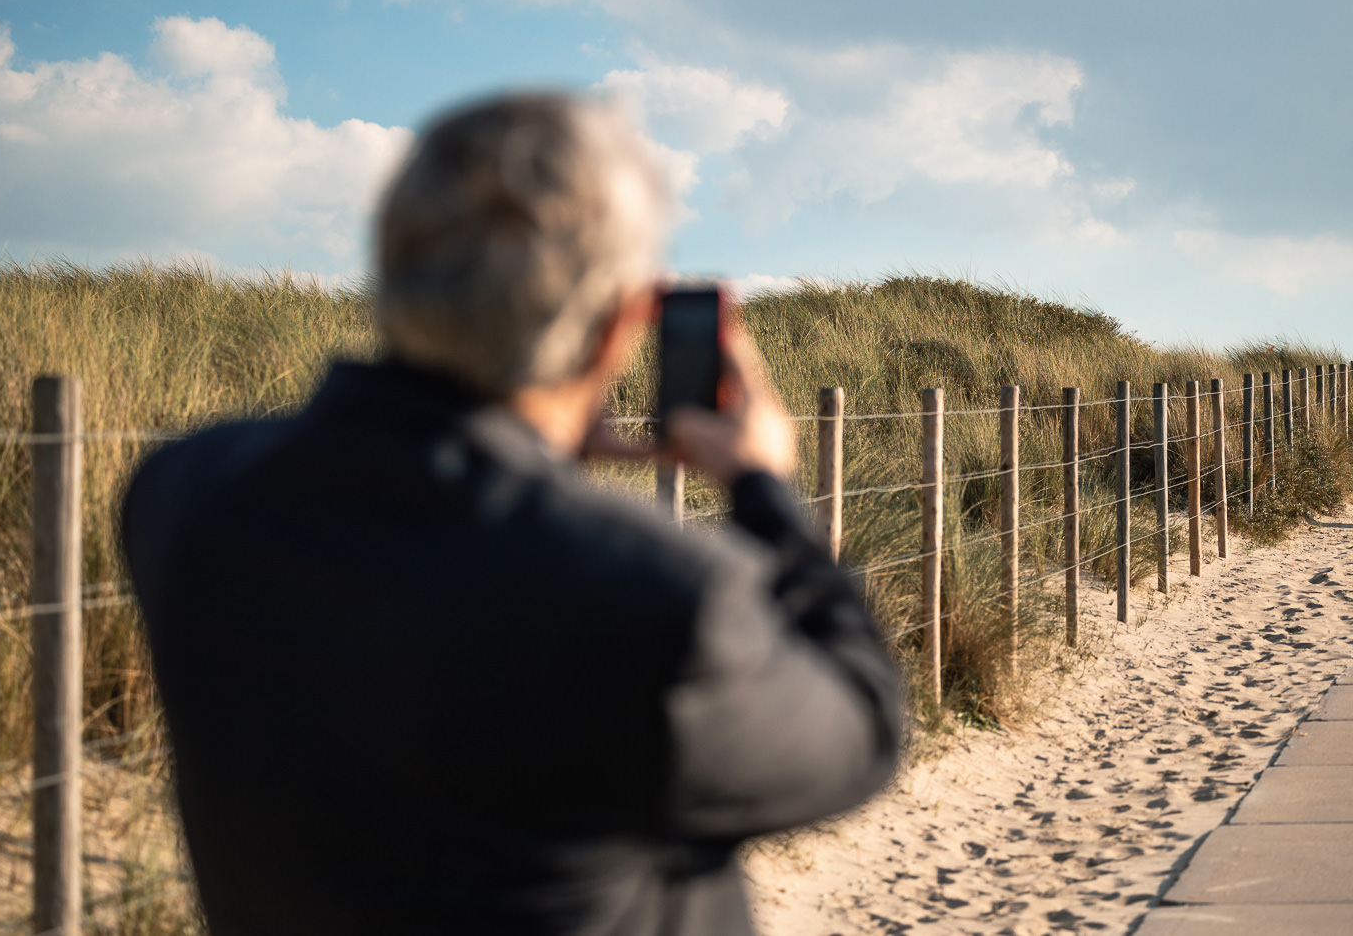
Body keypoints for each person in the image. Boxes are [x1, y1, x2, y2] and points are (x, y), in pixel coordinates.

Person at [120, 93, 903, 935]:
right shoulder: (659, 599)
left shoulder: (183, 490)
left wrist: (541, 453)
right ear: (616, 333)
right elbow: (861, 729)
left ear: (395, 267)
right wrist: (763, 489)